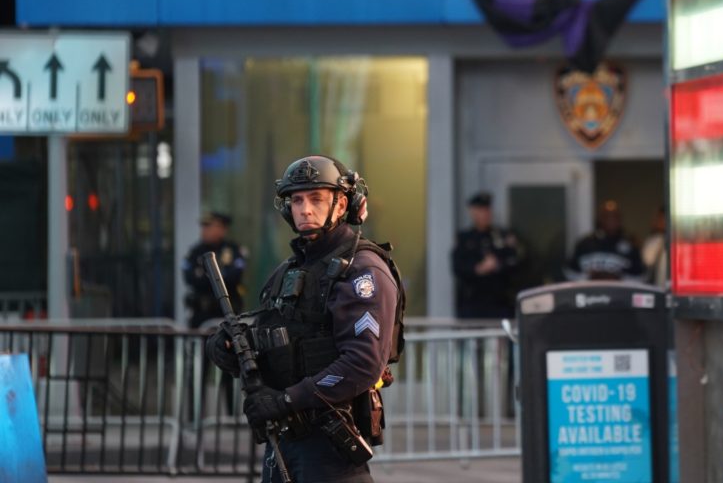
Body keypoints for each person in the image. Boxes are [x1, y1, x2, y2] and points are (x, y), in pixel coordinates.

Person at [205, 155, 402, 483]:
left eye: (316, 199)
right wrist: (227, 348)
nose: (305, 209)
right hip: (283, 442)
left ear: (342, 205)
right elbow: (273, 342)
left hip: (330, 448)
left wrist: (284, 400)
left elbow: (362, 363)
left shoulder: (362, 270)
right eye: (297, 199)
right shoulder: (288, 270)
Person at [450, 191, 524, 319]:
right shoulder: (465, 239)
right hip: (473, 304)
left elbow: (516, 261)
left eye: (487, 210)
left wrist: (497, 265)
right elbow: (458, 266)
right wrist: (478, 269)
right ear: (473, 212)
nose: (485, 214)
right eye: (481, 210)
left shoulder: (502, 236)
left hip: (499, 303)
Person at [182, 211, 247, 329]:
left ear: (222, 229)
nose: (204, 230)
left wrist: (205, 277)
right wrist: (217, 278)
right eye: (204, 227)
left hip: (227, 314)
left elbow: (234, 277)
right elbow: (190, 278)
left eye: (209, 226)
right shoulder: (195, 252)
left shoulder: (233, 250)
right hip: (200, 315)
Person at [565, 199, 645, 281]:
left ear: (620, 219)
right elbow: (570, 273)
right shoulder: (585, 243)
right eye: (607, 216)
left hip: (620, 292)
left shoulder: (631, 245)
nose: (611, 220)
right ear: (600, 218)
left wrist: (619, 278)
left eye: (615, 216)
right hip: (589, 292)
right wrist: (589, 277)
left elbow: (641, 277)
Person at [640, 205, 668, 287]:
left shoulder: (678, 240)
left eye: (659, 218)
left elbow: (647, 259)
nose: (655, 221)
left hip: (672, 289)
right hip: (660, 287)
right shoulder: (657, 239)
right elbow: (647, 259)